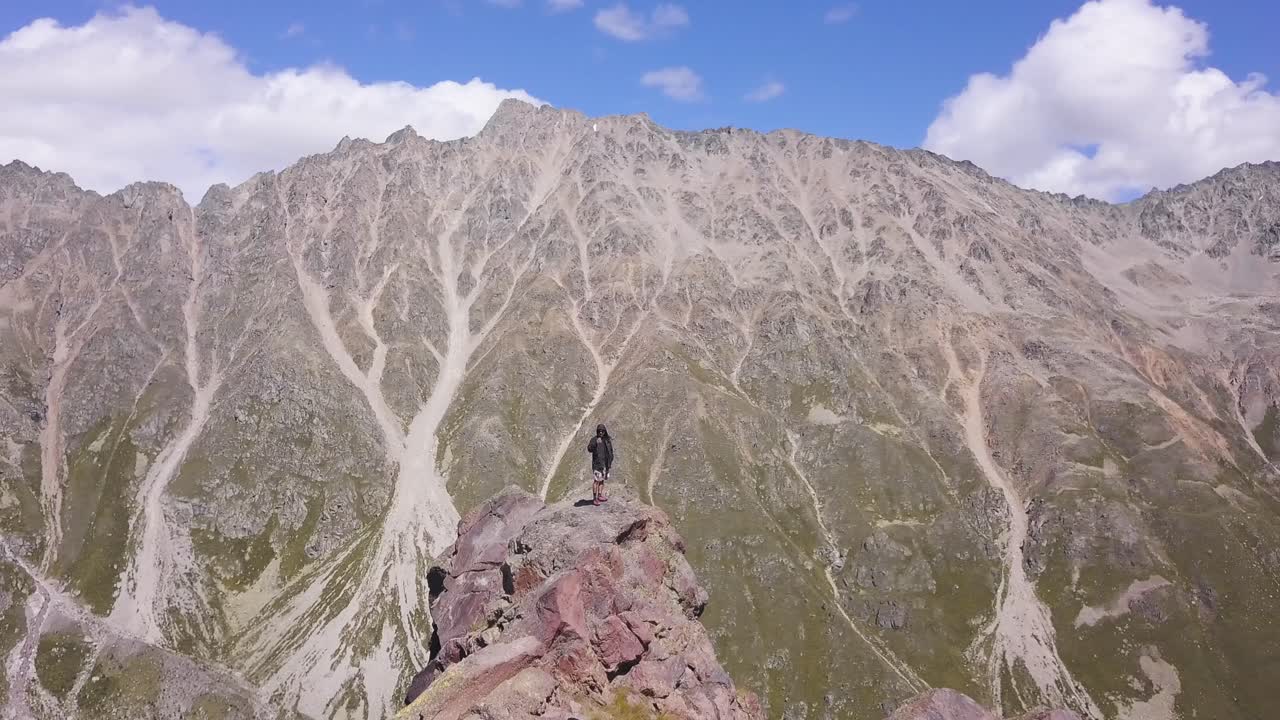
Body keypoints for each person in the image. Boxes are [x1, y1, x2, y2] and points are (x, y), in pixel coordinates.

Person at [587, 423, 613, 505]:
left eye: (602, 431)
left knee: (602, 480)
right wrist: (595, 444)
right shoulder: (594, 440)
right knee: (596, 481)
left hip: (605, 464)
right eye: (599, 431)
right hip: (597, 464)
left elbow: (610, 451)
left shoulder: (607, 440)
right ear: (597, 431)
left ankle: (600, 495)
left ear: (605, 431)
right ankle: (594, 498)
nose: (601, 432)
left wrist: (610, 462)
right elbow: (589, 449)